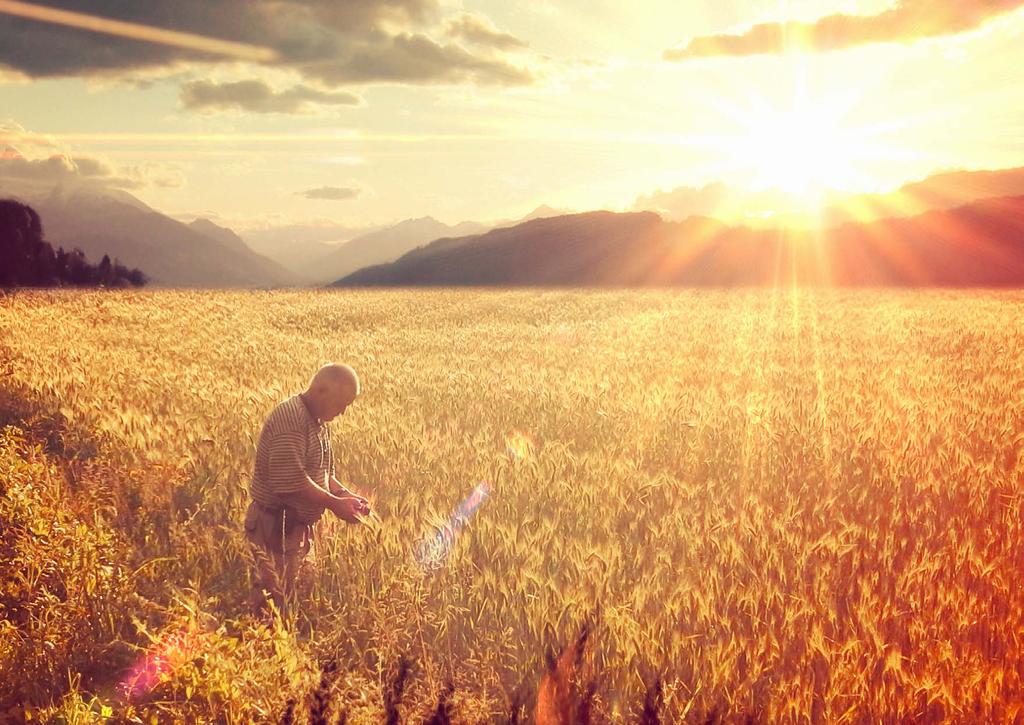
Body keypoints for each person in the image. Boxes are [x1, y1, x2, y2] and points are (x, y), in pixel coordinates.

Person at [244, 363, 370, 618]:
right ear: (321, 390)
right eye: (341, 403)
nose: (344, 412)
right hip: (275, 530)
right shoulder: (291, 419)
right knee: (272, 611)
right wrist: (335, 505)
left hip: (296, 532)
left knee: (295, 604)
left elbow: (325, 474)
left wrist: (346, 495)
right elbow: (291, 483)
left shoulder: (319, 421)